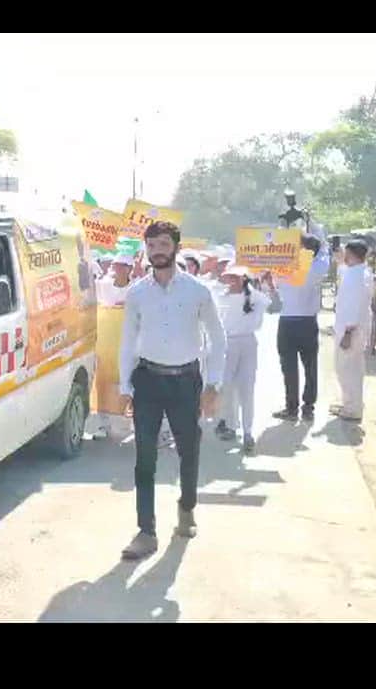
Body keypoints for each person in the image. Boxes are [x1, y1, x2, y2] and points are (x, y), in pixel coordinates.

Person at [119, 221, 226, 560]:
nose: (157, 251)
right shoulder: (136, 293)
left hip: (185, 381)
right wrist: (125, 385)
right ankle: (146, 530)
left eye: (163, 244)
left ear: (176, 247)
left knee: (189, 450)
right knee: (144, 458)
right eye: (151, 246)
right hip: (148, 380)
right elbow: (127, 342)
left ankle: (187, 509)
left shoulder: (197, 291)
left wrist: (213, 384)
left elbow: (217, 338)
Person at [263, 233, 330, 422]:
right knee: (310, 366)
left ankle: (292, 408)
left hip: (288, 323)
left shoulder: (284, 266)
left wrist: (270, 281)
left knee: (289, 368)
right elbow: (324, 251)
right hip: (308, 322)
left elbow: (272, 292)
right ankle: (308, 408)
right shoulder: (317, 267)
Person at [213, 266, 267, 452]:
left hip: (247, 343)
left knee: (247, 388)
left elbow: (272, 304)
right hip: (227, 345)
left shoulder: (255, 297)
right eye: (229, 277)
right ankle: (230, 424)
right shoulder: (220, 296)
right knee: (226, 386)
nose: (231, 281)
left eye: (236, 278)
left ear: (244, 279)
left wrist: (266, 281)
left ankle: (248, 431)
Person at [332, 239, 374, 421]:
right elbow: (343, 269)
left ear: (351, 254)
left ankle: (352, 409)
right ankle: (350, 403)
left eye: (346, 253)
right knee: (351, 367)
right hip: (355, 326)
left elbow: (354, 304)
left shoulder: (357, 275)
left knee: (346, 368)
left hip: (351, 328)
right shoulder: (359, 271)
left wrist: (348, 331)